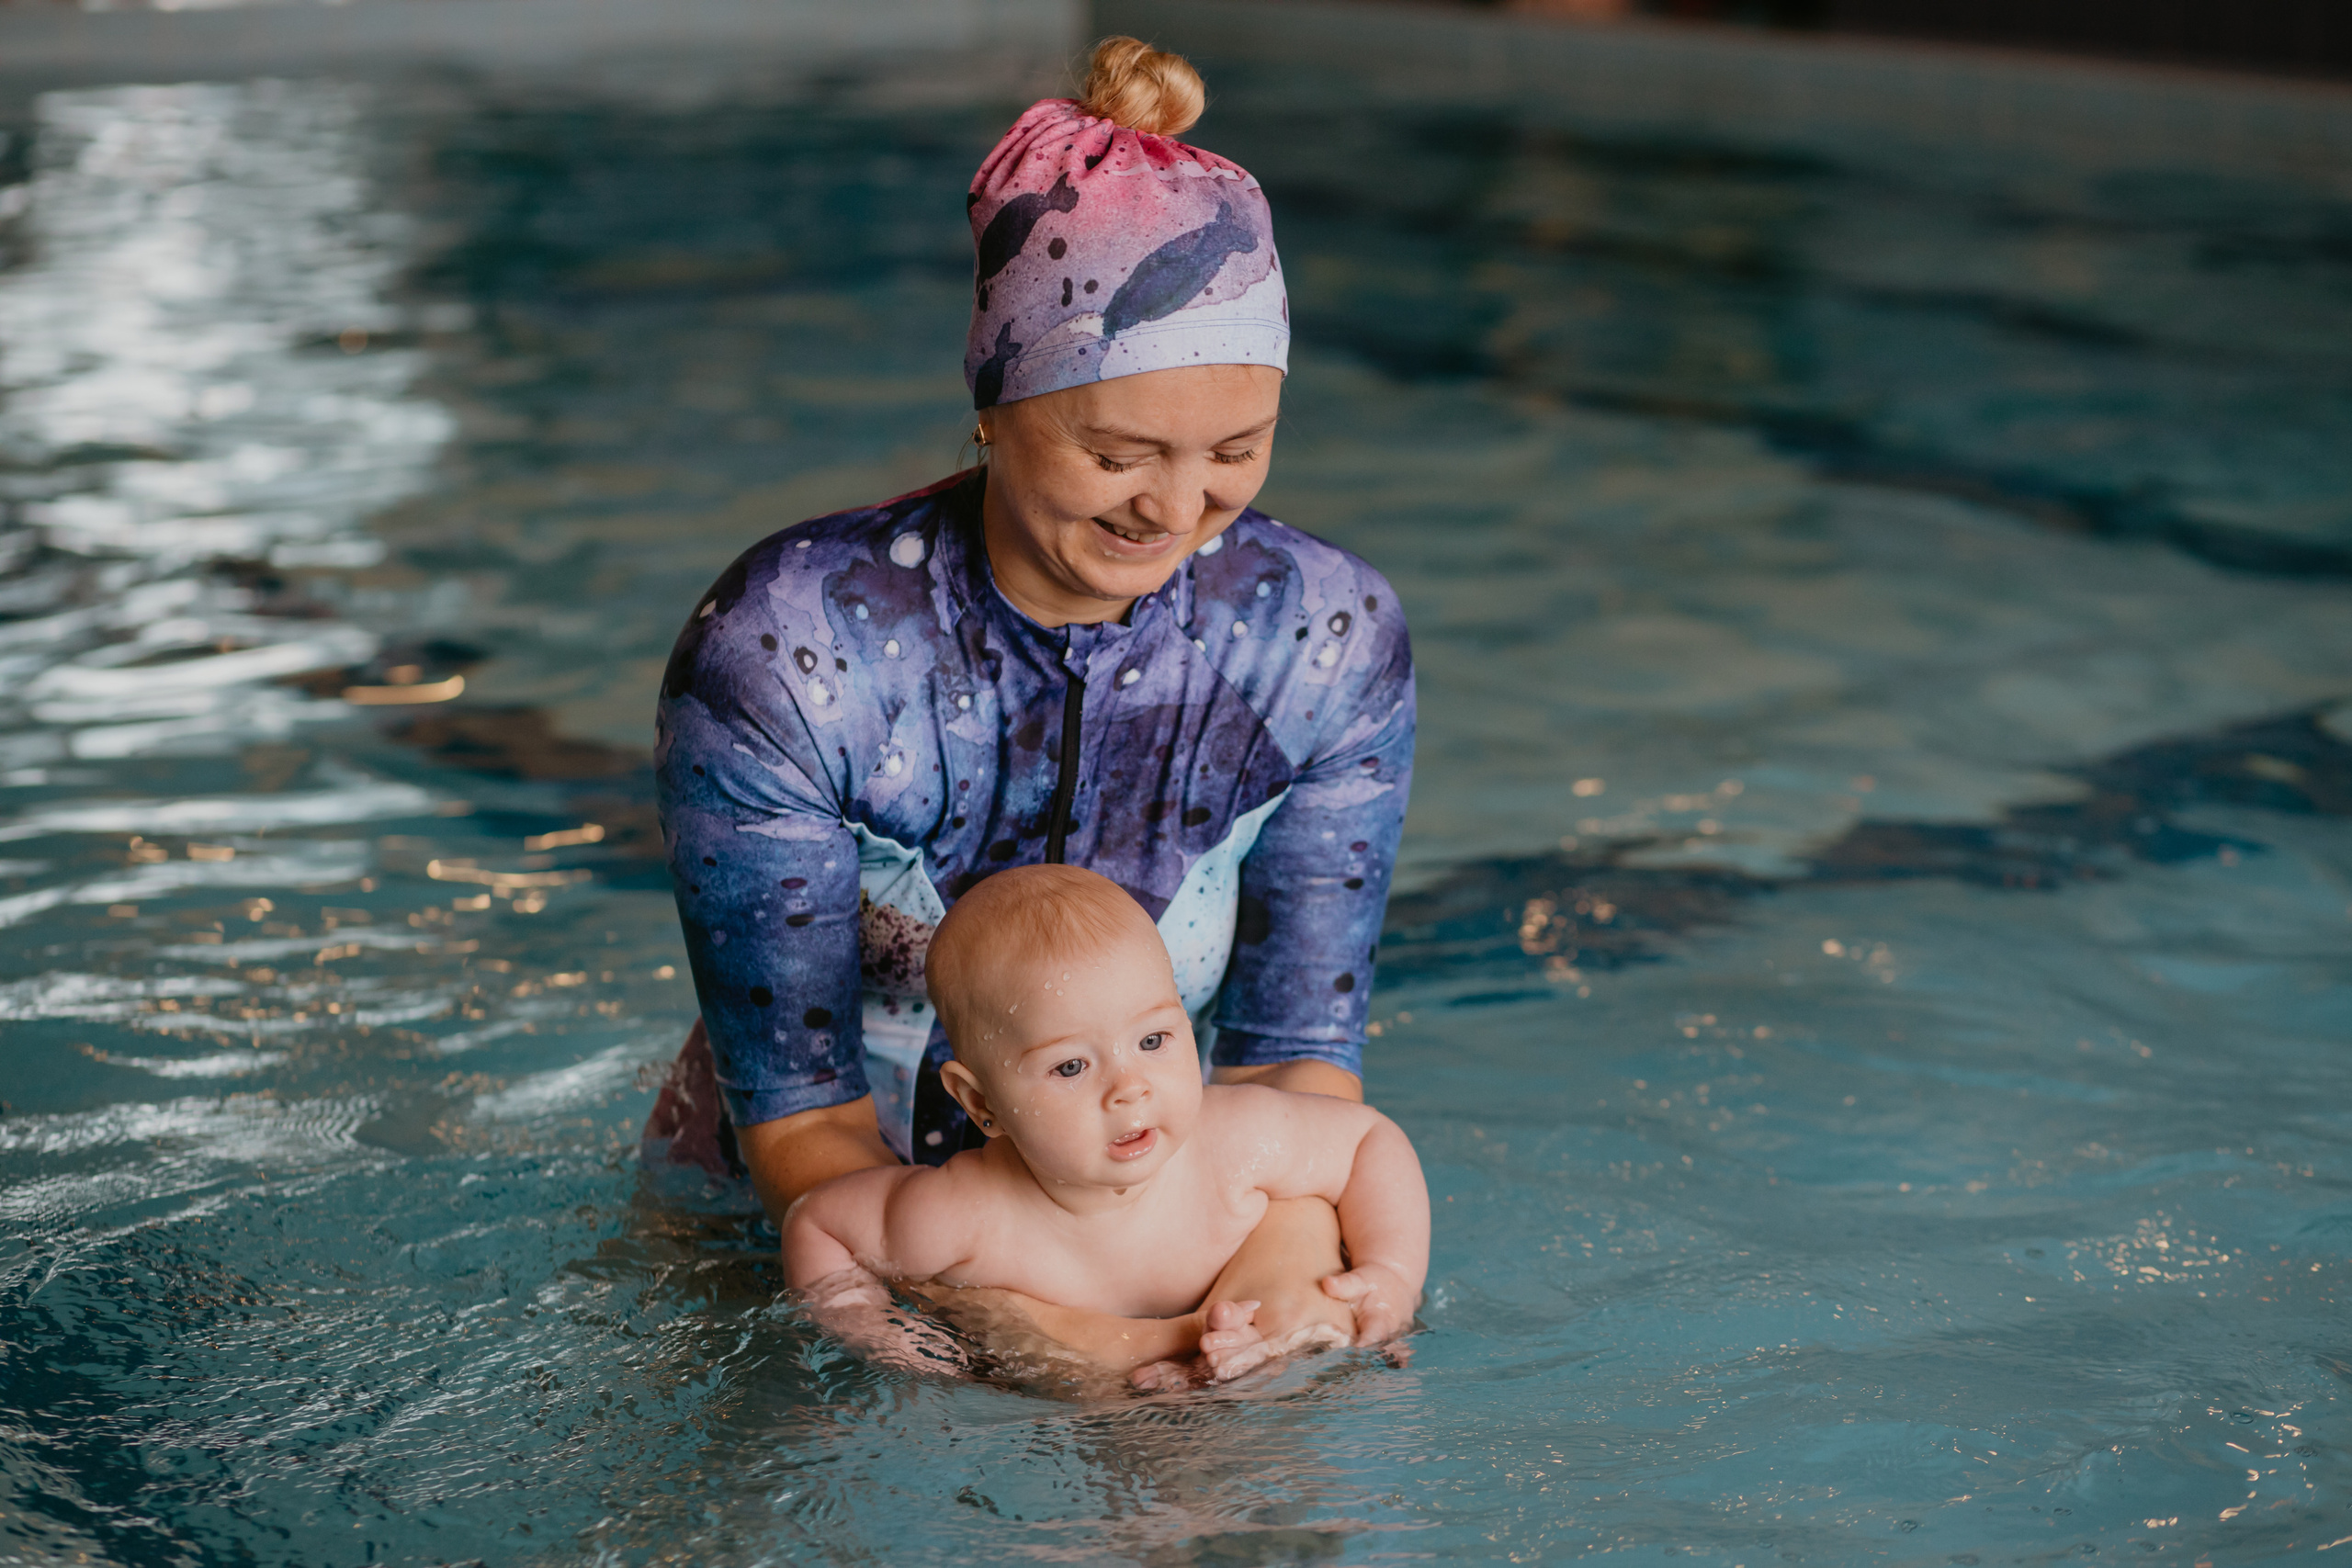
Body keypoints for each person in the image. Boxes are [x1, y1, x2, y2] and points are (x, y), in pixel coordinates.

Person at [644, 36, 1416, 1366]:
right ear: (997, 404)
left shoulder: (1319, 639)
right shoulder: (794, 645)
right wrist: (1047, 1337)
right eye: (1118, 454)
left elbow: (1298, 1062)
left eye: (1235, 452)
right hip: (801, 1234)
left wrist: (1278, 1282)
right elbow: (805, 1115)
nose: (1177, 512)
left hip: (1184, 1236)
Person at [785, 865, 1429, 1384]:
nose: (1129, 1087)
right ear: (980, 1100)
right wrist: (880, 1337)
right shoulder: (965, 1215)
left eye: (1153, 1039)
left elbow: (1370, 1139)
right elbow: (817, 1224)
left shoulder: (1234, 1144)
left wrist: (1391, 1273)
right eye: (1070, 1066)